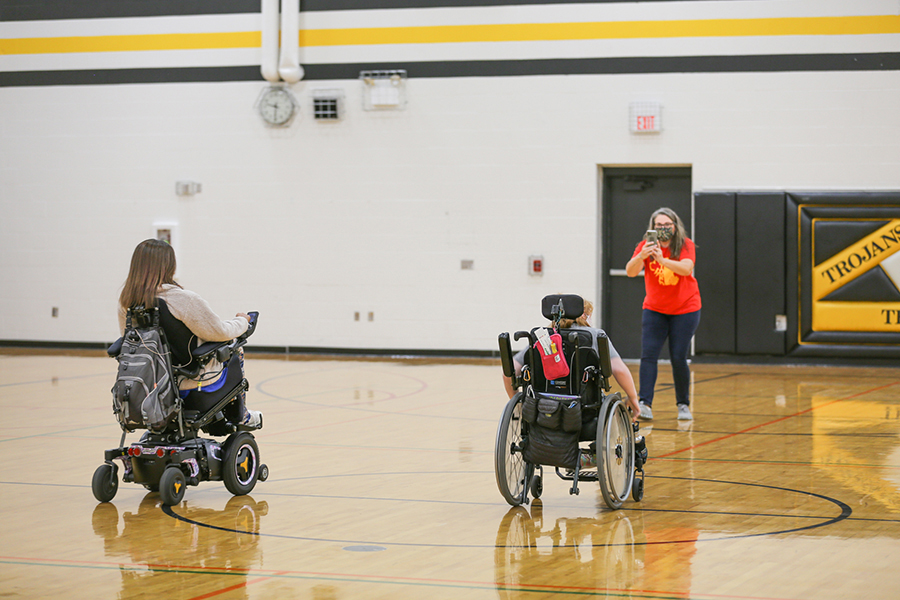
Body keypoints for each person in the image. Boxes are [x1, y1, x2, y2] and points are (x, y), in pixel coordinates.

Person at [117, 239, 262, 427]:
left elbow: (129, 343)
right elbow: (220, 332)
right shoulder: (182, 299)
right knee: (235, 349)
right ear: (170, 265)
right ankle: (242, 416)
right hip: (191, 382)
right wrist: (243, 321)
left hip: (150, 385)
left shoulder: (127, 302)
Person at [502, 298, 640, 421]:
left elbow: (509, 371)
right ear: (584, 315)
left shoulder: (542, 337)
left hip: (542, 407)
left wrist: (519, 404)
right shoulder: (595, 335)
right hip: (585, 408)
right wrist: (632, 397)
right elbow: (619, 369)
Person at [625, 207, 701, 421]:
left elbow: (686, 269)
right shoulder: (646, 246)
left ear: (675, 227)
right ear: (653, 228)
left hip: (686, 309)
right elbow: (631, 272)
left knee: (678, 357)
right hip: (655, 309)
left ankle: (683, 405)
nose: (663, 229)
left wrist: (662, 259)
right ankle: (645, 403)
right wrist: (642, 255)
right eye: (659, 225)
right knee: (649, 355)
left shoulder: (686, 245)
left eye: (667, 225)